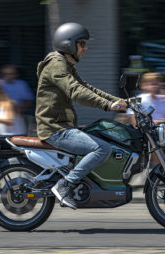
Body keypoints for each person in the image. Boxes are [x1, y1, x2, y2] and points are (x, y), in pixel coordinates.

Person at [35, 22, 127, 209]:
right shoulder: (56, 64)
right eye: (82, 43)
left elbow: (87, 88)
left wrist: (119, 101)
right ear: (68, 44)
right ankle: (65, 185)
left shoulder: (66, 65)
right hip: (55, 129)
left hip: (63, 125)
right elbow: (76, 91)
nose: (86, 48)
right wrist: (108, 105)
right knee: (102, 149)